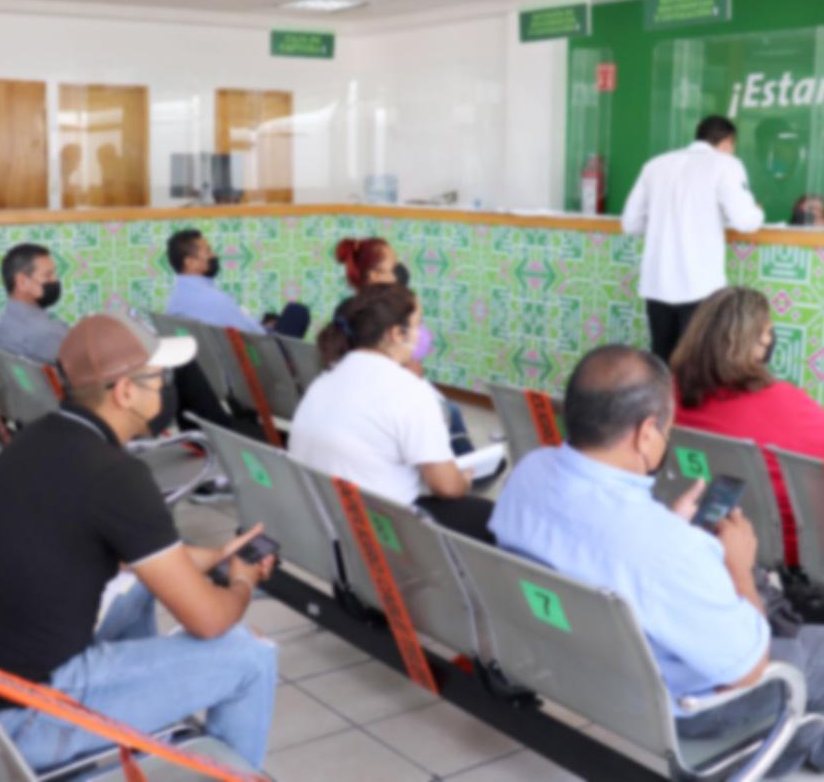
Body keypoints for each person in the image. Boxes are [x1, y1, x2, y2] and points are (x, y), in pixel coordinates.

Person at [0, 313, 277, 771]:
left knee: (138, 588)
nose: (166, 390)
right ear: (125, 392)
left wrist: (212, 557)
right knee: (250, 658)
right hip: (25, 715)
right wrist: (244, 579)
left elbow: (101, 554)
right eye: (160, 379)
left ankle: (141, 723)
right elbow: (211, 621)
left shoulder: (38, 440)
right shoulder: (117, 477)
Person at [488, 344, 824, 775]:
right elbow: (749, 669)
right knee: (812, 650)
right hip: (685, 708)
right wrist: (738, 567)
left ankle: (808, 739)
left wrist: (669, 527)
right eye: (667, 429)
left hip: (577, 671)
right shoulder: (667, 548)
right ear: (646, 433)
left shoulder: (528, 472)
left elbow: (603, 543)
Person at [289, 284, 494, 542]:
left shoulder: (326, 379)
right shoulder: (409, 390)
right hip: (377, 530)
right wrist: (463, 482)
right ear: (396, 333)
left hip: (317, 518)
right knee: (492, 518)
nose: (421, 334)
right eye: (418, 324)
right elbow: (447, 487)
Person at [671, 286, 824, 568]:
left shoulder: (665, 396)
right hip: (783, 554)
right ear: (758, 342)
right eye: (767, 332)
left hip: (695, 533)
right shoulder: (788, 403)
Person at [621, 115, 764, 362]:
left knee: (662, 362)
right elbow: (745, 221)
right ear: (728, 141)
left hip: (657, 284)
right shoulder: (726, 164)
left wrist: (664, 226)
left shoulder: (655, 165)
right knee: (697, 364)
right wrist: (757, 211)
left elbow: (630, 223)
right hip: (700, 287)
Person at [335, 237, 474, 457]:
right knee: (450, 411)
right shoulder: (385, 317)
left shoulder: (345, 308)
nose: (397, 275)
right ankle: (470, 467)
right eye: (392, 269)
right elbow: (404, 370)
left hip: (355, 396)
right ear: (374, 275)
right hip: (379, 400)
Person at [166, 228, 309, 338]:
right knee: (296, 312)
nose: (214, 255)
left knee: (275, 318)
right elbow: (255, 335)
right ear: (190, 262)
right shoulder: (212, 299)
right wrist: (265, 329)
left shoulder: (178, 297)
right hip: (262, 351)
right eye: (208, 251)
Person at [0, 243, 69, 364]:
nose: (55, 280)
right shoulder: (44, 331)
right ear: (22, 282)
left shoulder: (9, 319)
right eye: (48, 275)